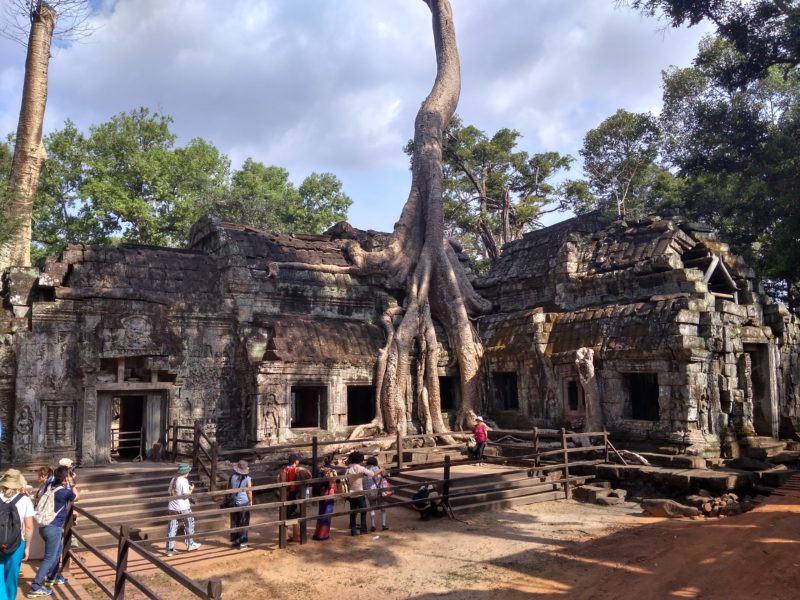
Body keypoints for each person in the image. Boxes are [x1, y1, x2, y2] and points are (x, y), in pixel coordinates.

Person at [27, 465, 79, 597]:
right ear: (65, 478)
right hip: (53, 528)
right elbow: (76, 497)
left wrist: (66, 478)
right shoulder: (64, 492)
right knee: (49, 558)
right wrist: (72, 483)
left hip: (44, 528)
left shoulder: (51, 486)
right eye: (67, 476)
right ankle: (35, 587)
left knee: (58, 551)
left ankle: (52, 577)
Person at [0, 469, 34, 600]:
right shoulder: (25, 500)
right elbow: (29, 527)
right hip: (17, 543)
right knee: (12, 576)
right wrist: (27, 547)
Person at [165, 464, 201, 556]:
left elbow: (169, 491)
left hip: (172, 507)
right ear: (186, 473)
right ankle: (190, 544)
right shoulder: (184, 481)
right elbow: (185, 496)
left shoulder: (173, 479)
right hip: (183, 507)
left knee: (172, 527)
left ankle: (170, 549)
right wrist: (191, 490)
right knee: (189, 523)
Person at [345, 451, 382, 536]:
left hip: (351, 493)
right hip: (360, 493)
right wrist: (381, 470)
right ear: (359, 460)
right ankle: (363, 529)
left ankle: (353, 531)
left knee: (353, 512)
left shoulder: (347, 469)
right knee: (363, 511)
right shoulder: (360, 468)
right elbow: (372, 474)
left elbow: (346, 480)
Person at [278, 454, 310, 543]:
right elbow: (309, 476)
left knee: (285, 514)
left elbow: (277, 479)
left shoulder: (283, 469)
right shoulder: (296, 469)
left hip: (284, 494)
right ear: (296, 461)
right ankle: (295, 536)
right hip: (293, 494)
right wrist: (304, 469)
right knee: (294, 514)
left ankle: (285, 536)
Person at [227, 460, 252, 550]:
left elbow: (228, 489)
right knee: (244, 522)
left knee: (234, 521)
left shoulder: (231, 477)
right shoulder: (248, 478)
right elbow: (249, 491)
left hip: (233, 502)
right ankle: (243, 543)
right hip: (244, 502)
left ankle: (235, 540)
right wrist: (251, 501)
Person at [312, 455, 337, 541]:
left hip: (321, 493)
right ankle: (323, 534)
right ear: (331, 461)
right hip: (329, 492)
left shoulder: (320, 470)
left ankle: (317, 533)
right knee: (327, 513)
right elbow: (334, 481)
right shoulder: (332, 470)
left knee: (321, 512)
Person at [364, 456, 389, 532]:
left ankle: (373, 525)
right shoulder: (378, 468)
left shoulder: (365, 471)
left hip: (370, 492)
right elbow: (385, 475)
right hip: (379, 491)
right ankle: (384, 525)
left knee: (372, 508)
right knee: (382, 508)